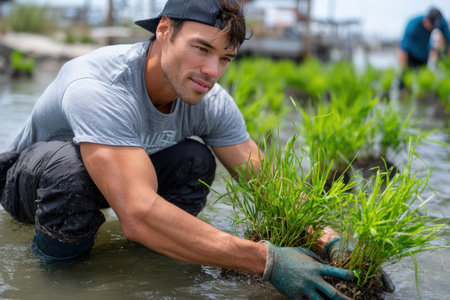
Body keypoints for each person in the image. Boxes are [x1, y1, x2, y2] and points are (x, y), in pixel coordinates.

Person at [0, 0, 359, 298]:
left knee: (195, 160)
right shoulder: (99, 86)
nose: (211, 70)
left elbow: (267, 183)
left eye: (225, 58)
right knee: (71, 174)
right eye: (201, 48)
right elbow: (138, 214)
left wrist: (329, 240)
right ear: (164, 30)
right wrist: (266, 260)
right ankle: (55, 273)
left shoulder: (210, 101)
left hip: (117, 180)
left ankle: (155, 253)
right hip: (31, 185)